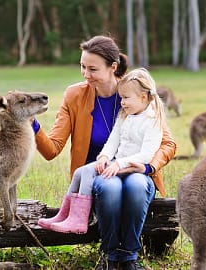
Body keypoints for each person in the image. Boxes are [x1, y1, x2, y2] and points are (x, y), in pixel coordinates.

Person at [33, 35, 176, 270]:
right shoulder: (74, 96)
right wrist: (32, 125)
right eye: (82, 67)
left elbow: (168, 144)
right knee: (109, 187)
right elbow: (52, 149)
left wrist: (148, 167)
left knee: (137, 186)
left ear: (113, 67)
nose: (85, 75)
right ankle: (110, 256)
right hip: (98, 176)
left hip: (136, 171)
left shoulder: (136, 92)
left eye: (92, 69)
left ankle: (129, 257)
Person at [38, 68, 166, 235]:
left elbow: (151, 152)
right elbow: (112, 140)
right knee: (79, 172)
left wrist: (124, 164)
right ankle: (64, 215)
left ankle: (78, 220)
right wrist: (104, 156)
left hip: (130, 166)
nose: (122, 102)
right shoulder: (125, 115)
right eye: (122, 98)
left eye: (126, 98)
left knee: (89, 174)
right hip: (116, 163)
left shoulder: (152, 118)